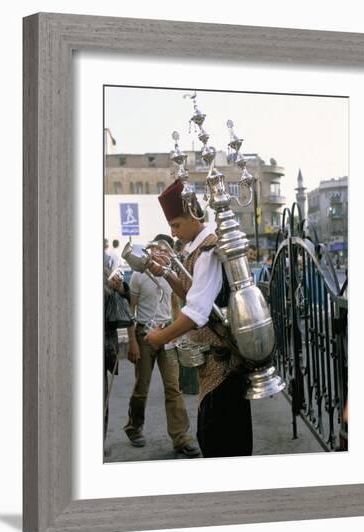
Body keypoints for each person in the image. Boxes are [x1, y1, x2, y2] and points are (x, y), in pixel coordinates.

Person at [145, 179, 253, 458]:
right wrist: (167, 273)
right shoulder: (197, 246)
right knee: (215, 437)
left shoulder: (208, 249)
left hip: (225, 366)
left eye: (177, 225)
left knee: (221, 442)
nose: (173, 233)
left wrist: (160, 338)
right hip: (214, 367)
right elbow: (193, 293)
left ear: (194, 214)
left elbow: (195, 312)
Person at [123, 233, 200, 458]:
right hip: (145, 336)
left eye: (166, 250)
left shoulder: (171, 274)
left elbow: (176, 304)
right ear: (151, 250)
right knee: (142, 387)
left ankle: (181, 438)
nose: (162, 254)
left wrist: (177, 333)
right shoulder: (138, 276)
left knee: (173, 387)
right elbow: (131, 311)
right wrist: (133, 342)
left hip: (167, 335)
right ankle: (134, 427)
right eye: (158, 249)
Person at [103, 265, 133, 439]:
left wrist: (119, 286)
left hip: (103, 344)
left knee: (100, 399)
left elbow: (125, 297)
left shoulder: (104, 268)